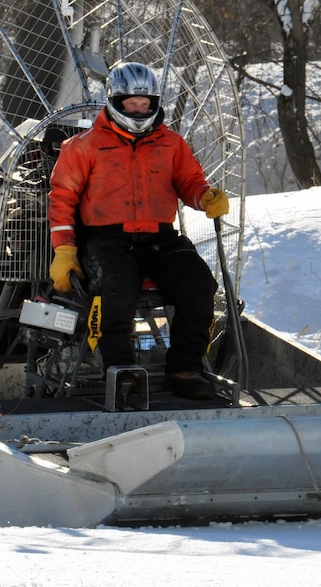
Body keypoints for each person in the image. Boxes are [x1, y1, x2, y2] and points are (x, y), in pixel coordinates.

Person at [46, 61, 229, 400]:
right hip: (106, 240)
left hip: (159, 237)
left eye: (146, 104)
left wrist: (205, 196)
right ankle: (121, 371)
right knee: (115, 289)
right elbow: (62, 200)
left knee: (199, 284)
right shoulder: (83, 147)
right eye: (133, 104)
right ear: (115, 102)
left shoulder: (171, 143)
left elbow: (188, 181)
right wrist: (65, 249)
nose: (140, 110)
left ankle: (185, 369)